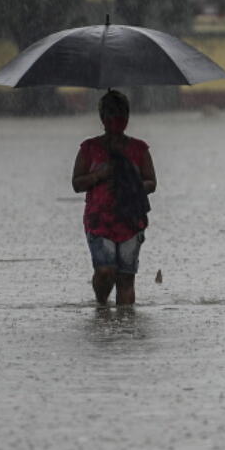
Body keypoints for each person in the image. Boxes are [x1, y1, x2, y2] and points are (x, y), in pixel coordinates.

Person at [71, 90, 156, 306]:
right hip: (99, 221)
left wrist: (130, 184)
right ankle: (101, 308)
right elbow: (77, 183)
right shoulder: (89, 148)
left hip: (130, 219)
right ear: (101, 118)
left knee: (126, 277)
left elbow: (151, 182)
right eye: (109, 114)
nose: (115, 120)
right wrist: (100, 175)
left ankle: (125, 328)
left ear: (128, 117)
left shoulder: (139, 149)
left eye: (120, 114)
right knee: (105, 271)